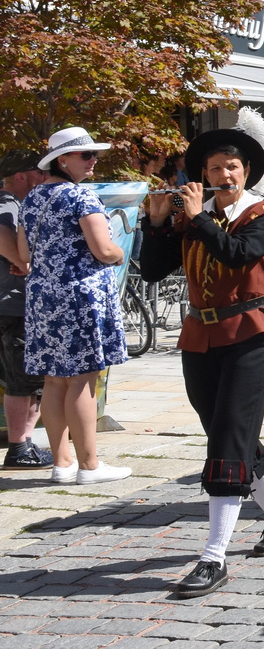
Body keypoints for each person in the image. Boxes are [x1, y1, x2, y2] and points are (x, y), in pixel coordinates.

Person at [139, 110, 264, 597]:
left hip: (249, 334)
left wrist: (199, 218)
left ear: (246, 171)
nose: (223, 176)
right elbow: (151, 272)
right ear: (202, 175)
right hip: (199, 336)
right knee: (232, 434)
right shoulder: (196, 218)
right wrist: (159, 223)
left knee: (227, 439)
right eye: (213, 169)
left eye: (231, 167)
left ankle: (213, 556)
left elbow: (238, 255)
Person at [18, 128, 132, 485]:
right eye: (86, 155)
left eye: (93, 154)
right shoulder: (81, 197)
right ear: (62, 160)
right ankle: (89, 466)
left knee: (54, 381)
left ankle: (62, 463)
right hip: (79, 297)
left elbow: (24, 256)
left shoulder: (34, 197)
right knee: (83, 381)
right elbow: (104, 249)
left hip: (43, 296)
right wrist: (117, 255)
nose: (93, 160)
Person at [0, 153, 50, 468]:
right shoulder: (7, 203)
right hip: (11, 306)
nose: (43, 177)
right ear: (21, 176)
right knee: (21, 379)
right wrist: (23, 263)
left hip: (18, 304)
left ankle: (25, 444)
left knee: (31, 379)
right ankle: (18, 447)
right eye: (38, 172)